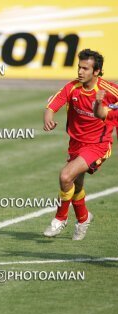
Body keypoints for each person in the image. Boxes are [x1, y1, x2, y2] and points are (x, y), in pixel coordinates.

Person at [43, 49, 118, 240]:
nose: (80, 71)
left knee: (65, 175)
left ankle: (60, 218)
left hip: (98, 145)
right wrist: (48, 117)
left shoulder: (107, 90)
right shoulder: (72, 87)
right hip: (76, 144)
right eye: (79, 67)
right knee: (75, 185)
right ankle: (83, 218)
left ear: (96, 71)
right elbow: (53, 104)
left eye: (85, 68)